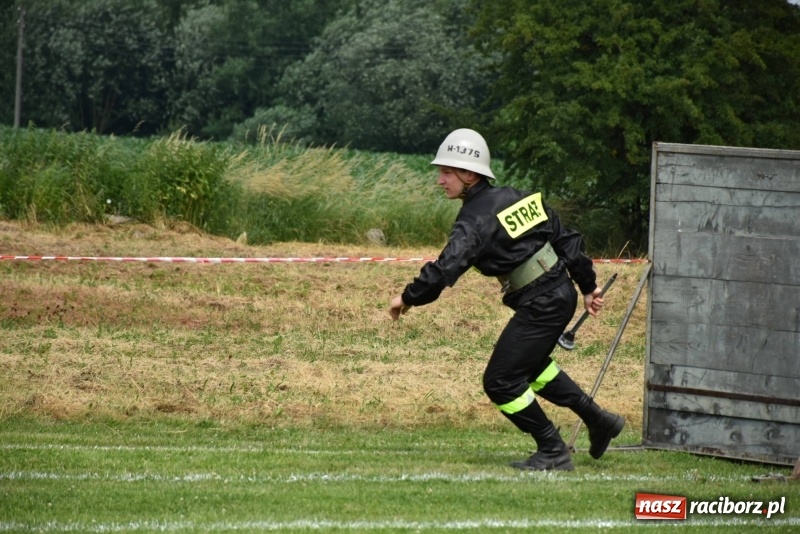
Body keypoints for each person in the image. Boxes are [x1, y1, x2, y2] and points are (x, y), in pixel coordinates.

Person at [388, 128, 624, 471]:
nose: (439, 180)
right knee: (532, 368)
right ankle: (599, 420)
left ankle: (553, 450)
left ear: (469, 175)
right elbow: (567, 239)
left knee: (500, 381)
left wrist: (406, 297)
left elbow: (446, 268)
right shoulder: (519, 197)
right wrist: (587, 286)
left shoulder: (474, 219)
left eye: (446, 172)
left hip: (542, 301)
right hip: (558, 293)